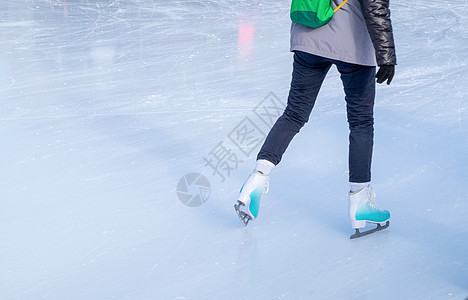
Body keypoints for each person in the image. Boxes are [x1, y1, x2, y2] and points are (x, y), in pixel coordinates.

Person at [234, 0, 396, 237]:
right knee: (361, 122)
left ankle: (256, 180)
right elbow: (375, 6)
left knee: (294, 113)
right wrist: (387, 55)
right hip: (351, 42)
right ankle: (361, 203)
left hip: (307, 37)